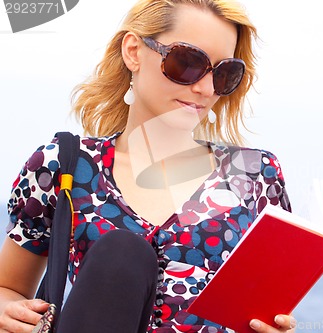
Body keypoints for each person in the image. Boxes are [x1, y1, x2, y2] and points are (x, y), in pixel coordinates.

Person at [0, 0, 297, 332]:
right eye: (189, 62)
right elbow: (7, 289)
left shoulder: (256, 178)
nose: (205, 88)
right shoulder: (64, 165)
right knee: (122, 252)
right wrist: (8, 312)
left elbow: (268, 311)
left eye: (224, 73)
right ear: (134, 51)